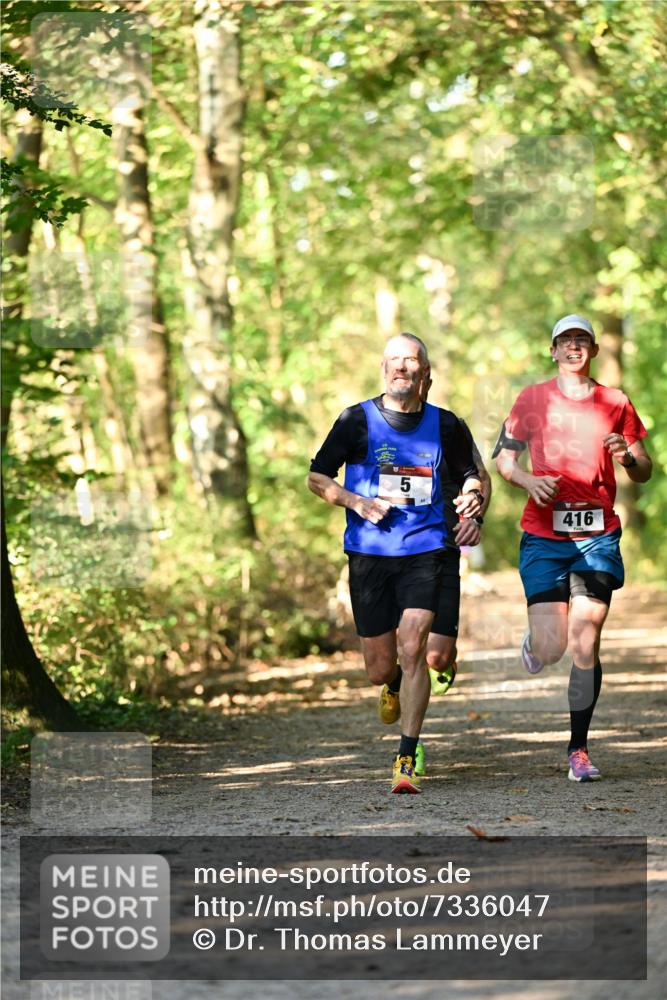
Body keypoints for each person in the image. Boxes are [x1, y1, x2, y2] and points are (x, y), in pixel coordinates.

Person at [308, 333, 484, 794]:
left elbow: (470, 476)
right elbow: (316, 476)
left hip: (426, 548)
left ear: (426, 373)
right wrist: (356, 501)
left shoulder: (447, 426)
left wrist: (472, 503)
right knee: (380, 668)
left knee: (414, 648)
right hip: (369, 553)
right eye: (394, 360)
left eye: (411, 360)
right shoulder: (356, 419)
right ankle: (393, 685)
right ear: (383, 369)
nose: (402, 367)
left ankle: (406, 754)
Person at [494, 314, 652, 782]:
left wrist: (626, 453)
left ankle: (578, 750)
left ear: (594, 350)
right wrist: (527, 479)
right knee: (553, 645)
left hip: (597, 532)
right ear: (553, 350)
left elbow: (642, 467)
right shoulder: (531, 399)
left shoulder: (615, 401)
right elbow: (504, 460)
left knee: (587, 635)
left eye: (582, 340)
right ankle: (537, 641)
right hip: (544, 535)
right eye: (565, 341)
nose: (574, 348)